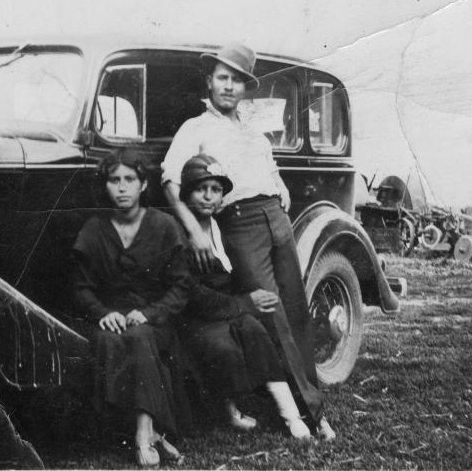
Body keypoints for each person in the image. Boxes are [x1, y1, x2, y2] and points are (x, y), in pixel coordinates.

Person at [162, 43, 334, 440]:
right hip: (240, 224)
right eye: (222, 78)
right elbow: (170, 179)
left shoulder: (253, 130)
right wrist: (191, 226)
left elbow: (268, 167)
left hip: (277, 219)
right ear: (210, 82)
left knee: (296, 312)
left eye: (237, 80)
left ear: (245, 88)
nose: (229, 86)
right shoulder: (196, 128)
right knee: (272, 315)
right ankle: (308, 414)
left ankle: (311, 401)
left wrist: (280, 186)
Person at [178, 153, 312, 438]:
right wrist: (245, 302)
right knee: (221, 347)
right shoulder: (181, 233)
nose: (208, 197)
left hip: (226, 311)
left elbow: (235, 275)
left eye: (215, 190)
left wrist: (252, 297)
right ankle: (228, 411)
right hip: (196, 316)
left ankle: (290, 415)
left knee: (257, 331)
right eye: (200, 189)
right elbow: (191, 293)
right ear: (186, 194)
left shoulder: (219, 229)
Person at [72, 149, 191, 467]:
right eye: (114, 180)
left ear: (142, 185)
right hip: (110, 320)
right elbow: (80, 289)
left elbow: (181, 287)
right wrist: (102, 313)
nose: (122, 187)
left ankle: (141, 434)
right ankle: (151, 433)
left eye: (129, 179)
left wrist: (151, 313)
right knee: (110, 340)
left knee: (139, 337)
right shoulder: (95, 229)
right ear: (106, 185)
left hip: (154, 321)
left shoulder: (165, 225)